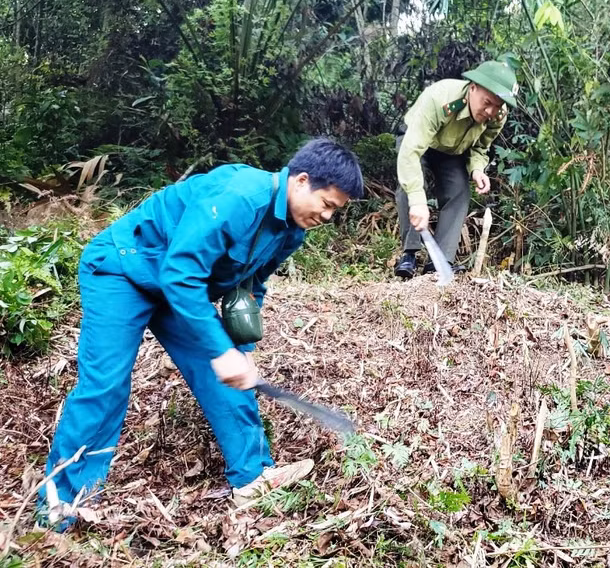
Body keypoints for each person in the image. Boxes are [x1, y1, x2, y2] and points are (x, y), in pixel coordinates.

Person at [40, 138, 364, 527]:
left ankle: (252, 477)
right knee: (105, 384)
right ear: (301, 180)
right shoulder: (240, 197)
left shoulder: (292, 230)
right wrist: (221, 349)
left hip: (176, 288)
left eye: (335, 210)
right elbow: (180, 273)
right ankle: (61, 506)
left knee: (228, 373)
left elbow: (251, 287)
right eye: (327, 204)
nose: (327, 216)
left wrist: (240, 348)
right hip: (124, 269)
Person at [393, 58, 518, 278]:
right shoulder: (439, 98)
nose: (490, 111)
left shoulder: (498, 115)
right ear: (472, 88)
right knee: (411, 186)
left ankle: (439, 262)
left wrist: (477, 169)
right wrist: (418, 202)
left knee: (459, 192)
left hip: (451, 151)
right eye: (487, 102)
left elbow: (481, 147)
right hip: (418, 140)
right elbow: (410, 152)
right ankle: (409, 254)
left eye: (497, 106)